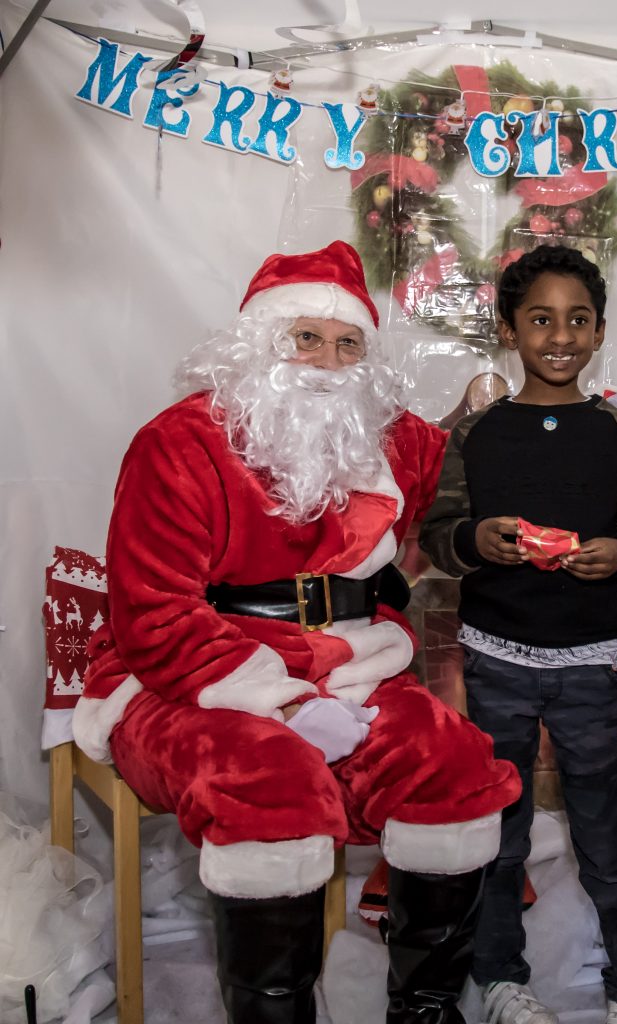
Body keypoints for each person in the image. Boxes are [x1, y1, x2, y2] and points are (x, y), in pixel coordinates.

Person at [72, 240, 521, 1024]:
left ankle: (425, 1010)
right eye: (305, 337)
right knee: (266, 781)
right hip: (188, 672)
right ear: (259, 343)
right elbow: (153, 614)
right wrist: (277, 705)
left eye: (348, 343)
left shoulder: (391, 441)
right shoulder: (179, 442)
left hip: (351, 663)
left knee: (450, 763)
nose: (326, 361)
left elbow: (493, 457)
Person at [419, 245, 617, 1024]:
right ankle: (502, 977)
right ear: (510, 329)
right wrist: (478, 540)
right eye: (541, 320)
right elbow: (438, 533)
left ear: (599, 331)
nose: (559, 336)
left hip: (591, 665)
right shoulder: (479, 435)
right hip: (495, 657)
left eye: (577, 320)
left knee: (604, 826)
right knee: (502, 828)